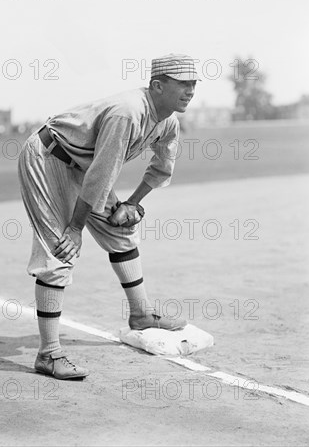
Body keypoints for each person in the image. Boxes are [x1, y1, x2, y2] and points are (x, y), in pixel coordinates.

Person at [18, 53, 201, 379]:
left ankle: (142, 315)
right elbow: (102, 174)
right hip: (48, 159)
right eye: (182, 83)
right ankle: (49, 354)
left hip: (84, 168)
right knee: (60, 250)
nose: (190, 90)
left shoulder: (168, 122)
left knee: (122, 233)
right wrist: (75, 227)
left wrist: (132, 204)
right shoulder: (128, 113)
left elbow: (161, 169)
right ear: (158, 86)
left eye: (193, 83)